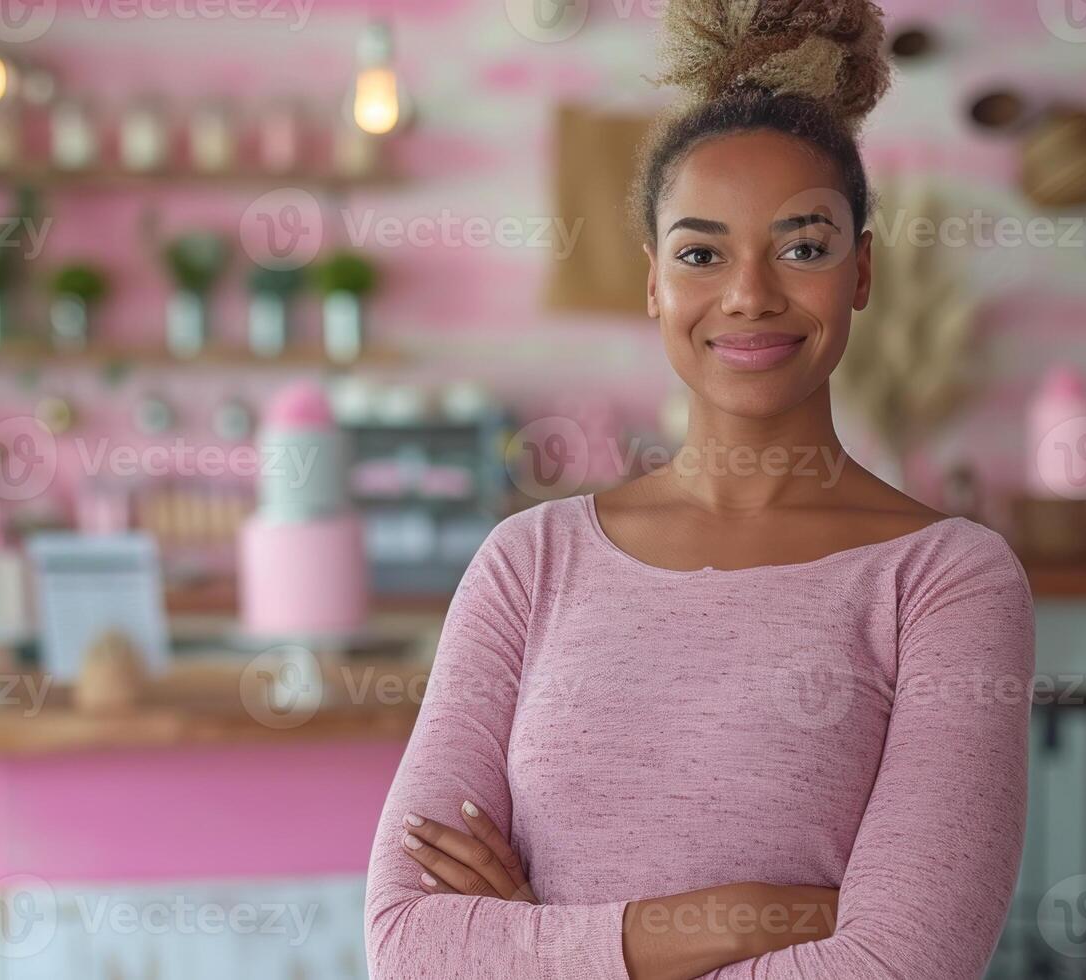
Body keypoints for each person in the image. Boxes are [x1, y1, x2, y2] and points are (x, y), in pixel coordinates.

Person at [363, 2, 1035, 977]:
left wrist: (546, 946)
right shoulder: (529, 561)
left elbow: (899, 965)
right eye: (701, 252)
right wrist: (744, 915)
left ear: (862, 271)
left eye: (803, 246)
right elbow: (408, 945)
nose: (750, 293)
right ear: (653, 283)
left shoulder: (946, 582)